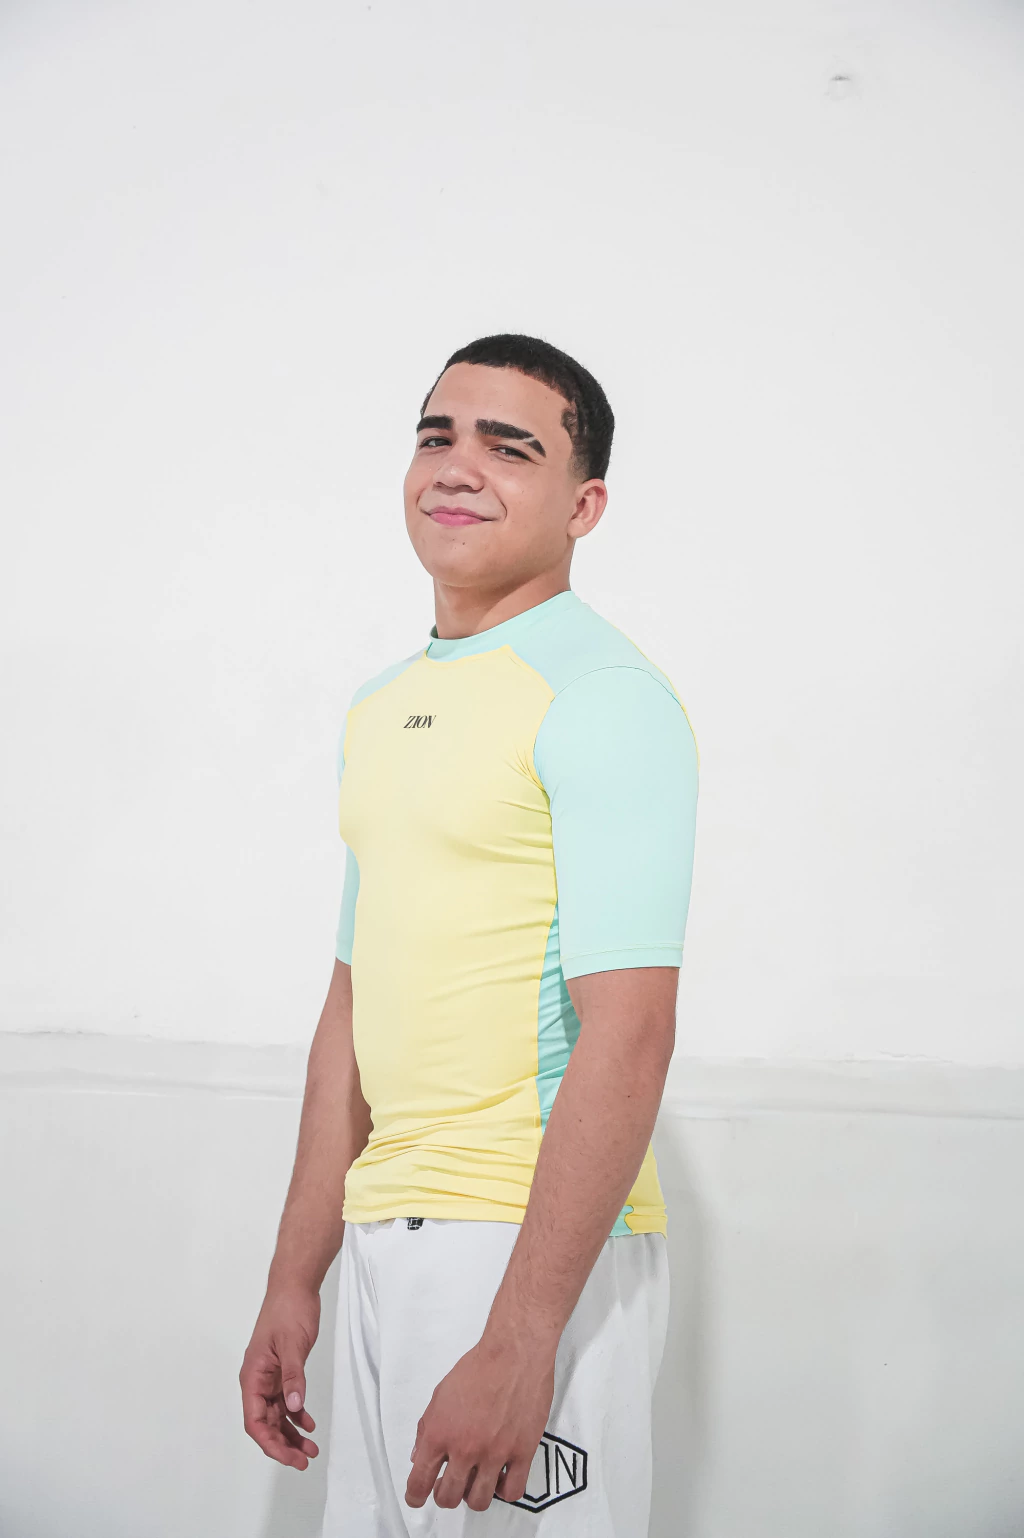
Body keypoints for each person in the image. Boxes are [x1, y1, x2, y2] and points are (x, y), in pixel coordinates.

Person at [239, 333, 699, 1536]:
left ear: (582, 506)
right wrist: (295, 1274)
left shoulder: (603, 696)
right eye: (436, 435)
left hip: (520, 1244)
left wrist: (524, 1332)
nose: (456, 465)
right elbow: (352, 1008)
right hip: (386, 1232)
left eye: (509, 447)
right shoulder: (382, 705)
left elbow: (631, 1029)